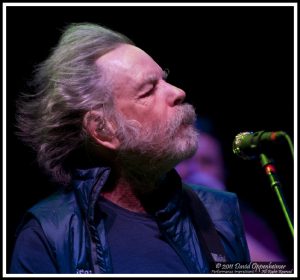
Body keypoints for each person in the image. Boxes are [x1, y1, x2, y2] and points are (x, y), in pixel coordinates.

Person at [10, 23, 250, 274]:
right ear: (103, 129)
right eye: (148, 91)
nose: (178, 92)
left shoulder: (218, 211)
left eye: (164, 80)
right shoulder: (47, 237)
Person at [176, 118, 287, 262]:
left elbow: (277, 271)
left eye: (207, 162)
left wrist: (218, 214)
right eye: (185, 159)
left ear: (223, 171)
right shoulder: (152, 212)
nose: (195, 170)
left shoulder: (246, 221)